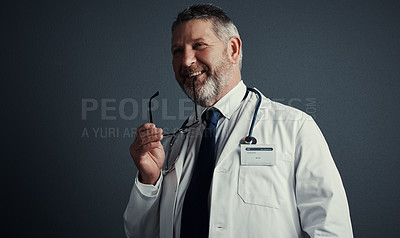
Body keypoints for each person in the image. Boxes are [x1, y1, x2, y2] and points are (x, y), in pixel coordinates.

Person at [124, 4, 353, 238]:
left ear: (233, 49)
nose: (186, 61)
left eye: (199, 45)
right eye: (177, 51)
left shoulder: (295, 128)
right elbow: (139, 234)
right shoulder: (174, 145)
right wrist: (149, 181)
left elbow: (332, 230)